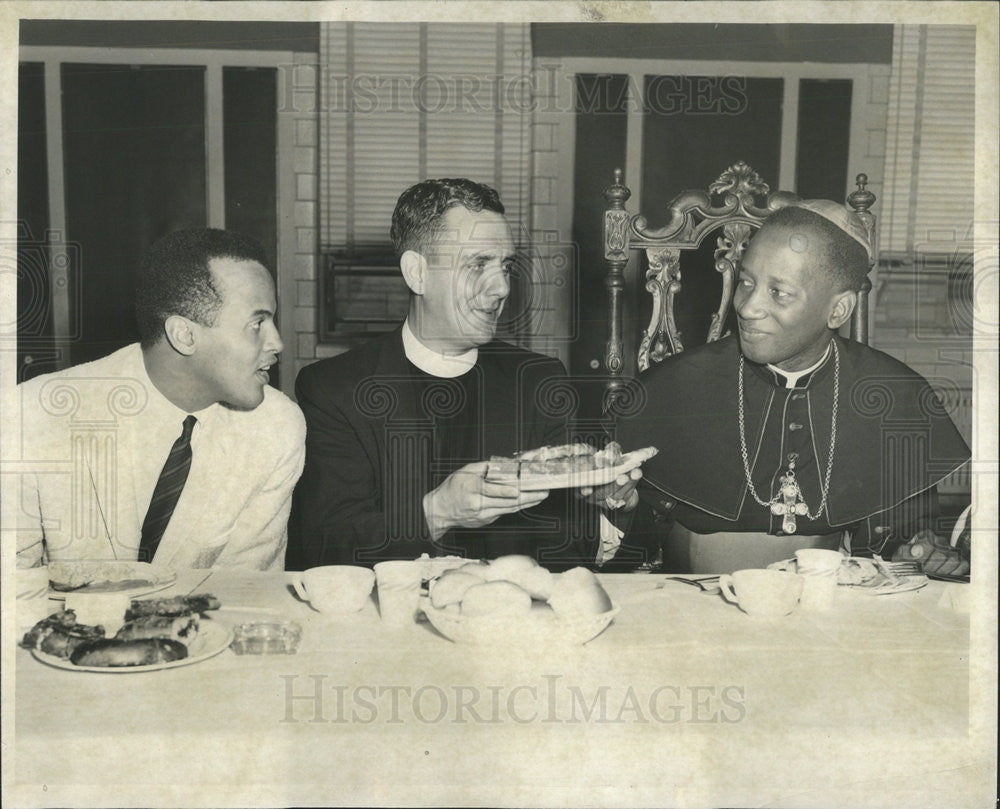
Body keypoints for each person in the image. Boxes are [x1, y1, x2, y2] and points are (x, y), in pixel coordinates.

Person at [591, 201, 971, 575]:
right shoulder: (671, 387)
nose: (747, 307)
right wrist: (618, 510)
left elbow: (901, 534)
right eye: (746, 282)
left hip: (827, 609)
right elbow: (633, 535)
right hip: (690, 608)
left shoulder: (894, 395)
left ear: (838, 310)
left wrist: (917, 548)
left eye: (779, 292)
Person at [288, 178, 598, 569]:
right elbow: (325, 547)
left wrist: (605, 505)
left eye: (505, 265)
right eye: (477, 263)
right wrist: (437, 512)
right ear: (417, 273)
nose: (502, 286)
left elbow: (572, 549)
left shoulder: (539, 380)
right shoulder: (334, 389)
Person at [12, 229, 306, 570]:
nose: (277, 343)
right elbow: (12, 591)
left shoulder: (276, 426)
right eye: (257, 323)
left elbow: (245, 592)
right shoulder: (34, 412)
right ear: (184, 335)